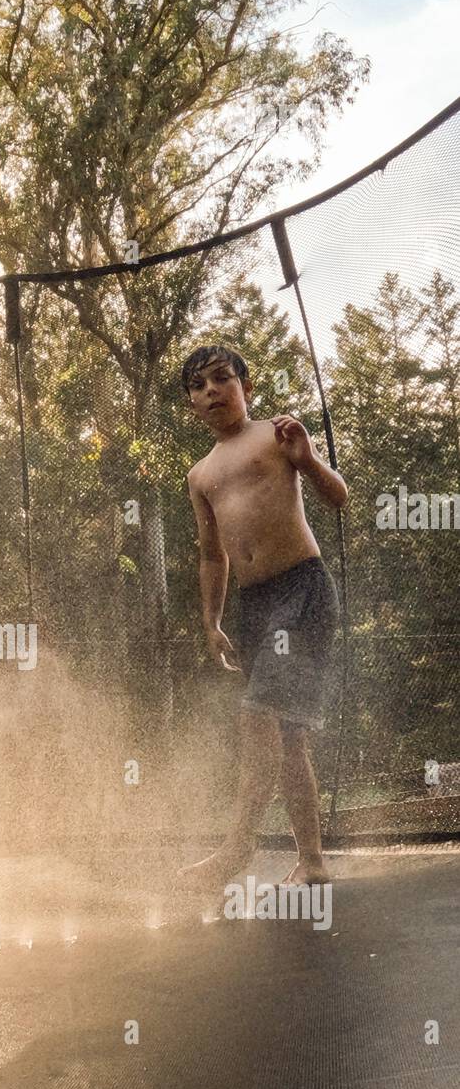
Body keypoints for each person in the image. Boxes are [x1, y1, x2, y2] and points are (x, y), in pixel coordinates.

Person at [179, 346, 348, 892]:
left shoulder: (275, 435)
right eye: (199, 386)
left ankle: (236, 848)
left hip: (300, 589)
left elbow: (337, 497)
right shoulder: (200, 473)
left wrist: (307, 457)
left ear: (245, 386)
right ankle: (314, 861)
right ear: (191, 405)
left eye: (221, 378)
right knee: (288, 736)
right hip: (253, 609)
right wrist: (211, 621)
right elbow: (212, 555)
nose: (211, 391)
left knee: (258, 716)